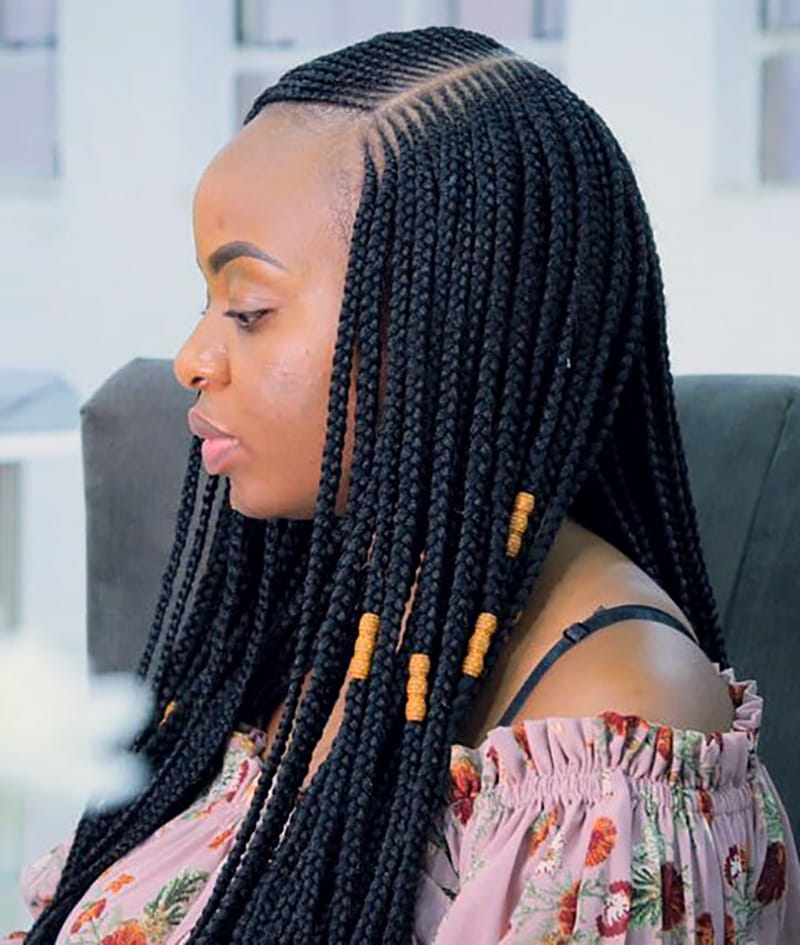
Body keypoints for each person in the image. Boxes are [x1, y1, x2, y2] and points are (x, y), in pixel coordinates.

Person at [6, 24, 800, 945]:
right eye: (207, 301)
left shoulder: (611, 729)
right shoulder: (316, 607)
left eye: (250, 308)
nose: (194, 357)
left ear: (451, 328)